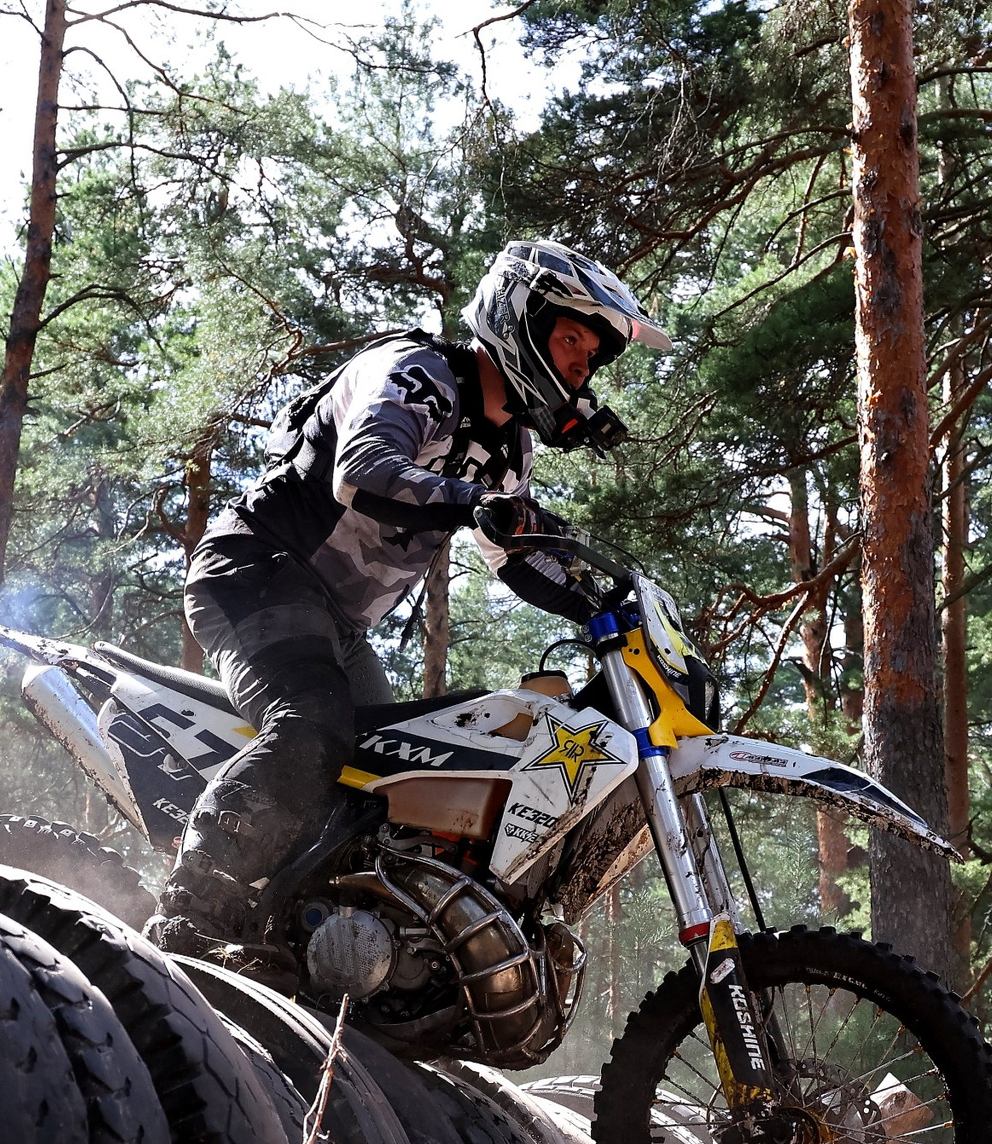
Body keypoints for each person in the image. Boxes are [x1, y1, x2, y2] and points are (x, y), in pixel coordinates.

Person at [146, 240, 670, 987]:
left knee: (382, 788)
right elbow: (361, 472)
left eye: (592, 352)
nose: (583, 365)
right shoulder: (418, 375)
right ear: (520, 320)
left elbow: (516, 555)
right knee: (317, 727)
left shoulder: (511, 449)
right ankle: (188, 910)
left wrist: (609, 604)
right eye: (571, 339)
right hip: (256, 573)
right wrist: (476, 504)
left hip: (335, 623)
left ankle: (297, 942)